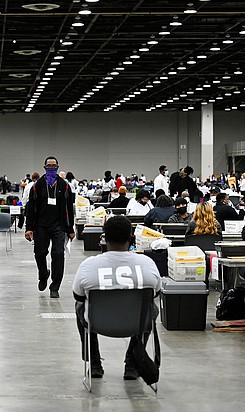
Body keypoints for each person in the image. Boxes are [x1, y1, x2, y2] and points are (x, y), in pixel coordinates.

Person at [73, 216, 161, 379]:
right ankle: (133, 364)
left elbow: (78, 296)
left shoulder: (89, 265)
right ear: (132, 237)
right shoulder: (147, 263)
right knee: (151, 309)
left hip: (98, 323)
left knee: (79, 307)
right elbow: (155, 293)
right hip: (137, 324)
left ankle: (94, 364)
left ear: (104, 238)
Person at [25, 156, 75, 299]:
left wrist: (70, 229)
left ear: (58, 167)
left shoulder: (64, 186)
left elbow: (69, 209)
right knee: (40, 254)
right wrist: (29, 228)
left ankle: (55, 286)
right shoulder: (37, 186)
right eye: (49, 166)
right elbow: (30, 208)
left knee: (58, 255)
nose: (51, 168)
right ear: (45, 167)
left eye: (54, 166)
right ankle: (43, 274)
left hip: (59, 226)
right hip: (41, 226)